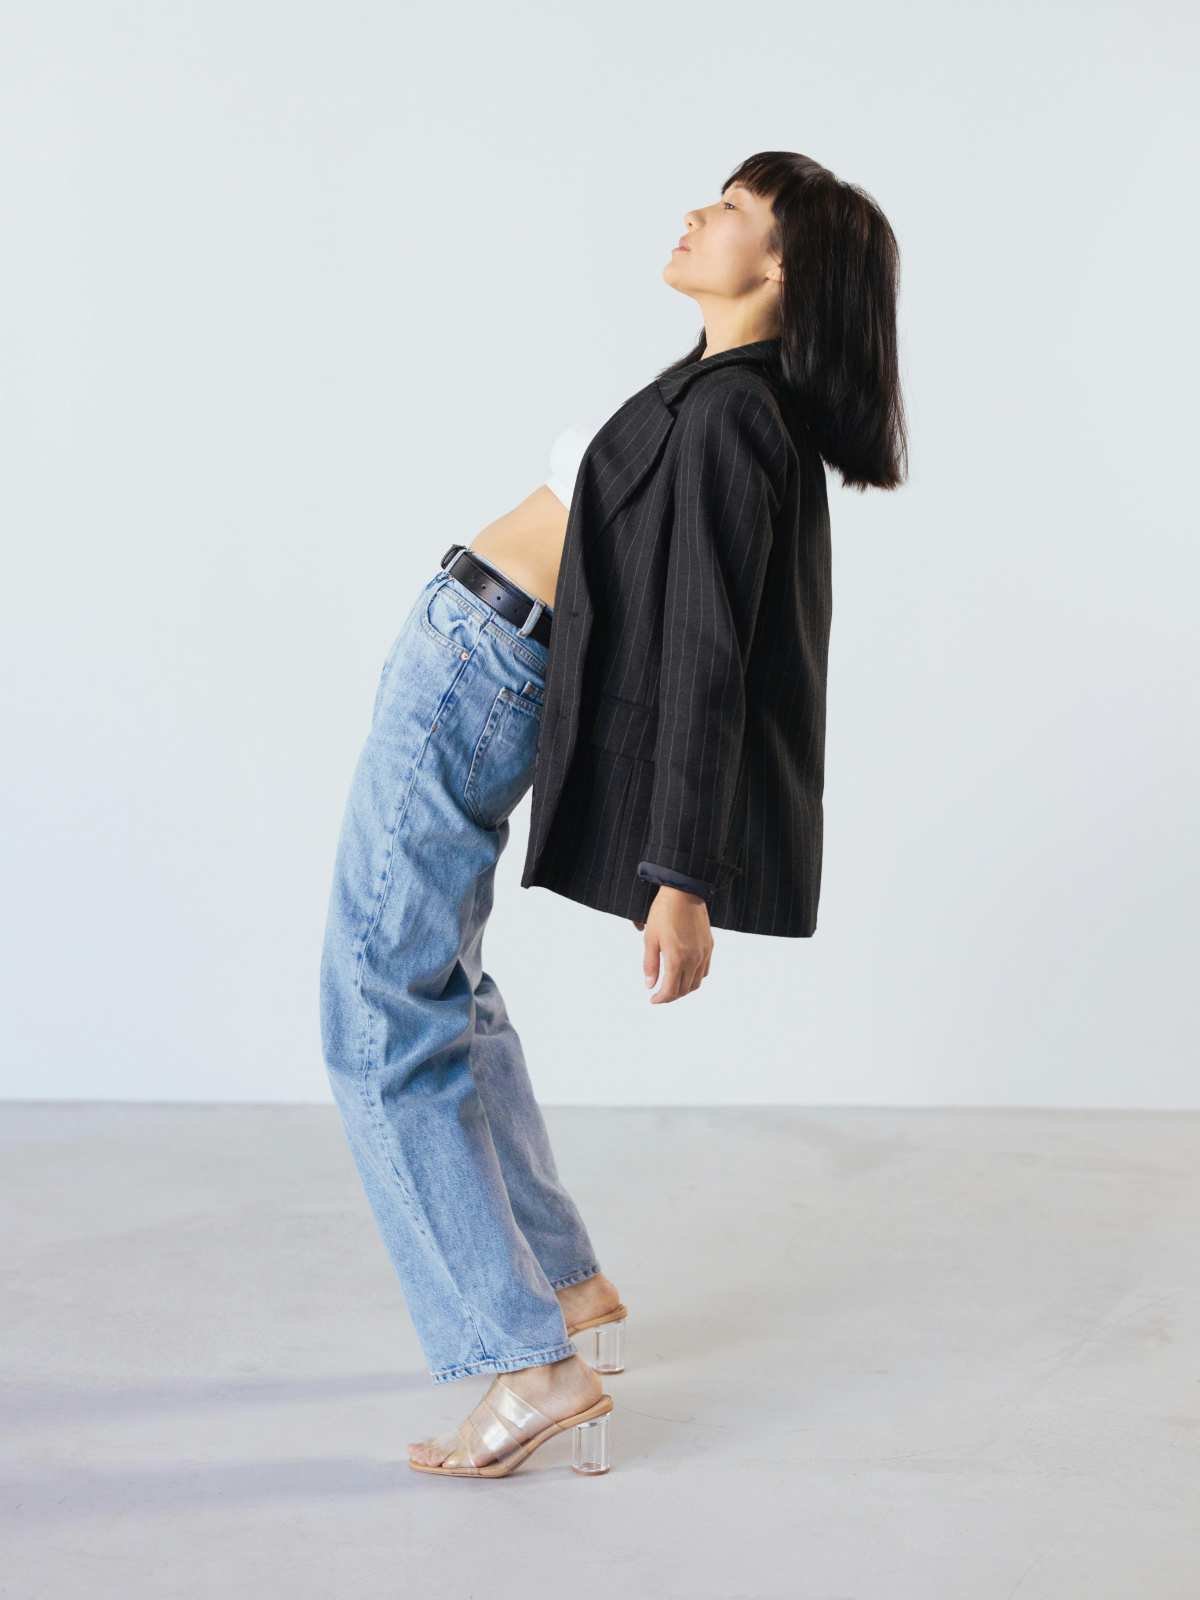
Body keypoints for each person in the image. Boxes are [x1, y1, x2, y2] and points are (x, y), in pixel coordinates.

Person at [318, 150, 908, 1479]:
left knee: (376, 1009)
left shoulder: (732, 417)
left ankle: (524, 1363)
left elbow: (710, 653)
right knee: (441, 987)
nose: (699, 212)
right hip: (482, 656)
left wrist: (681, 876)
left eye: (735, 210)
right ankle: (569, 1289)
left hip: (477, 667)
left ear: (783, 268)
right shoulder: (714, 387)